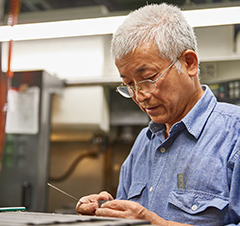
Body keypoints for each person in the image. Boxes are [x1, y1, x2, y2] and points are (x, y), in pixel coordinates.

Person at [76, 3, 240, 226]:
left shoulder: (234, 136)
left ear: (189, 63)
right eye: (129, 84)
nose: (140, 95)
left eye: (148, 78)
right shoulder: (144, 142)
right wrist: (108, 211)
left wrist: (152, 222)